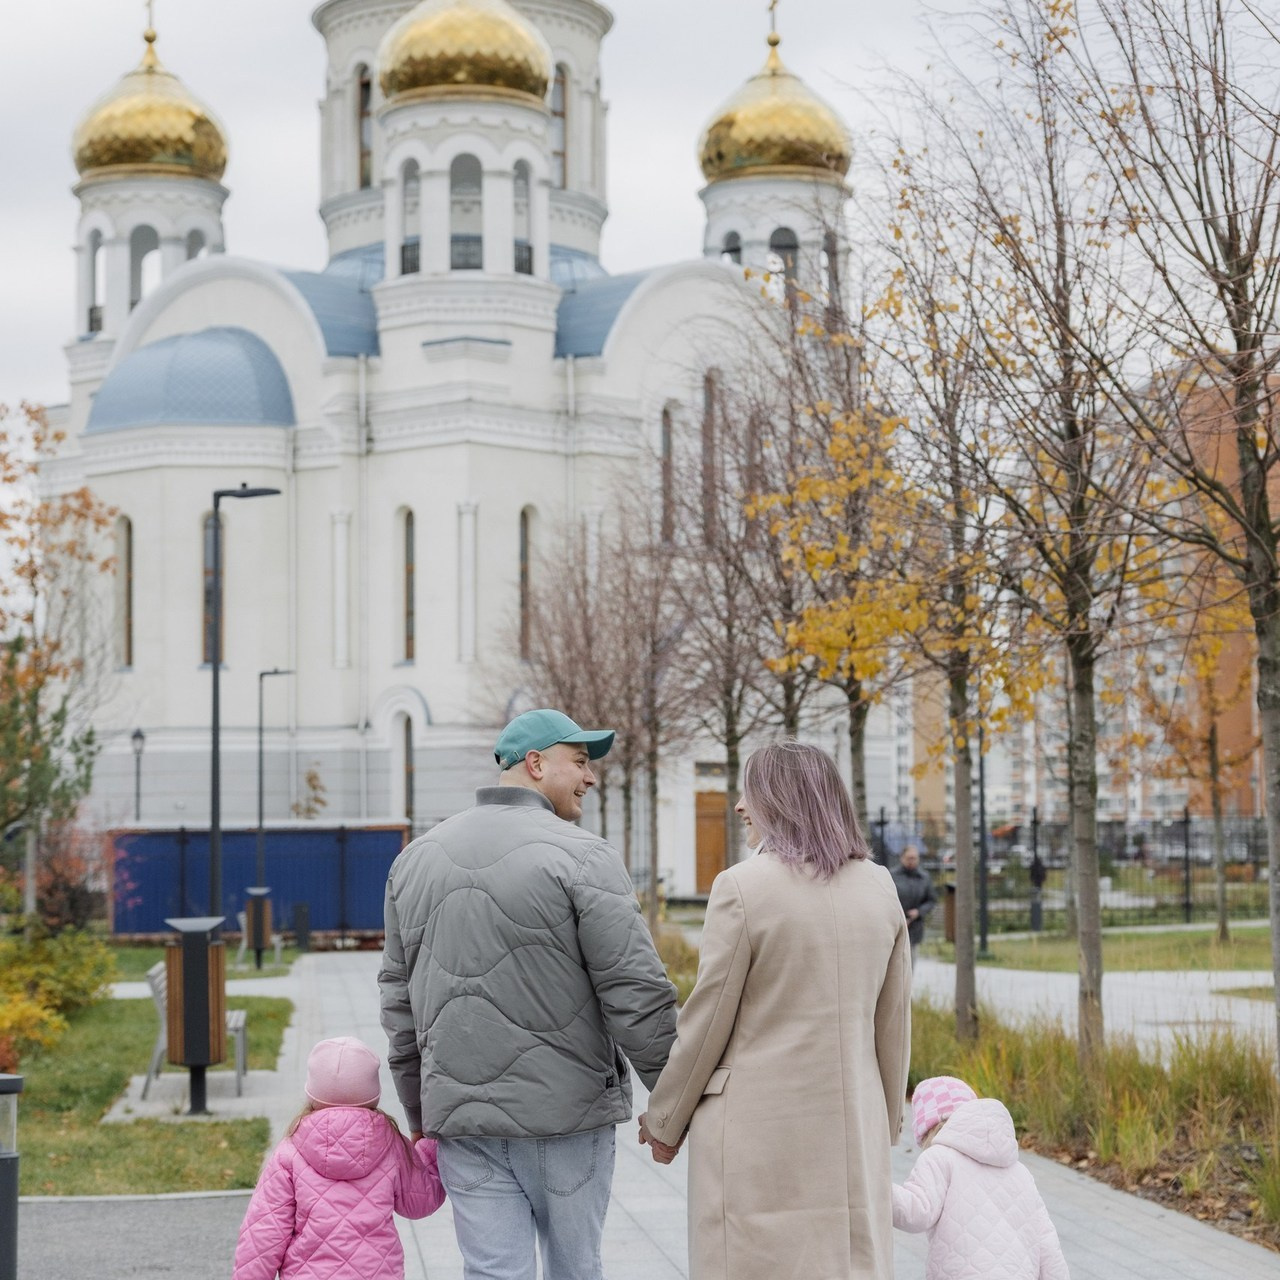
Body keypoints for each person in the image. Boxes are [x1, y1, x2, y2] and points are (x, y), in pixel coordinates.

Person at [379, 708, 678, 1280]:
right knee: (574, 1270)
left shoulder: (413, 861)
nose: (590, 778)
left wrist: (421, 1109)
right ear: (536, 764)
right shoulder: (584, 856)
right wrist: (674, 1102)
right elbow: (635, 990)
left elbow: (399, 1001)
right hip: (567, 1116)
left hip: (464, 1122)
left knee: (492, 1273)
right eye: (581, 762)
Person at [639, 741, 912, 1280]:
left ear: (780, 800)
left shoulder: (742, 887)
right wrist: (886, 1122)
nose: (740, 806)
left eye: (750, 793)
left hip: (757, 1138)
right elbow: (894, 1024)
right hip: (850, 1131)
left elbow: (707, 1020)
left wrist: (665, 1120)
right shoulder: (880, 887)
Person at [232, 1037, 445, 1280]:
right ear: (373, 1095)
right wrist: (430, 1146)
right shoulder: (391, 1145)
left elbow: (263, 1233)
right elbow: (421, 1201)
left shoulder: (289, 1152)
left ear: (312, 1093)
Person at [893, 1075, 1070, 1279]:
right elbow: (1046, 1242)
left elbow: (917, 1212)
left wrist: (875, 1187)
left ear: (926, 1129)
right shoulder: (1019, 1171)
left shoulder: (938, 1158)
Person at [892, 843, 937, 965]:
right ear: (902, 858)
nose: (912, 861)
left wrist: (919, 912)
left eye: (915, 858)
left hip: (915, 926)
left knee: (911, 961)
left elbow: (931, 900)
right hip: (896, 925)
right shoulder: (893, 876)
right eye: (909, 858)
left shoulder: (924, 877)